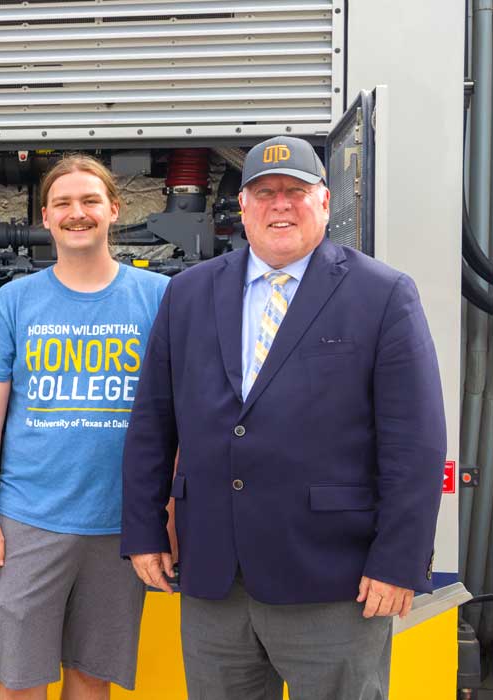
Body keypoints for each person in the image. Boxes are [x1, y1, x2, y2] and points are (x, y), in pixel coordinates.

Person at [121, 136, 447, 700]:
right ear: (242, 209)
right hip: (214, 578)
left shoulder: (382, 294)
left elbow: (414, 443)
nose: (280, 205)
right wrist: (145, 530)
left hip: (334, 579)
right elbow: (153, 420)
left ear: (323, 202)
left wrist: (399, 560)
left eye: (295, 191)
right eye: (264, 192)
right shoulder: (188, 293)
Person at [0, 154, 167, 699]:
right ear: (46, 218)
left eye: (89, 201)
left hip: (120, 525)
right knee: (21, 682)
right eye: (63, 204)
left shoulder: (158, 300)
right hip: (27, 522)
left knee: (90, 680)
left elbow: (177, 414)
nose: (77, 213)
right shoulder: (13, 303)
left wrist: (168, 509)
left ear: (113, 211)